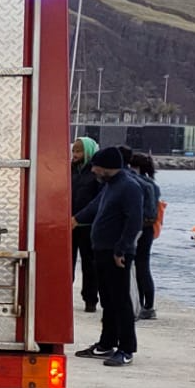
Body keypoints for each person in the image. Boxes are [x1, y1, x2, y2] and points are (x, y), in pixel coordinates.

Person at [72, 147, 146, 367]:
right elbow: (95, 206)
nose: (92, 169)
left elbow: (134, 220)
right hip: (102, 250)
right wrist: (76, 219)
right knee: (108, 300)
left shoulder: (130, 187)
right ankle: (106, 343)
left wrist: (121, 249)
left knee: (121, 301)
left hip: (117, 254)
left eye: (95, 166)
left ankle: (126, 348)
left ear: (106, 167)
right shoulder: (110, 185)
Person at [128, 152, 164, 319]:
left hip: (139, 228)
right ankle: (147, 305)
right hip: (148, 229)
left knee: (138, 267)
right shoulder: (152, 184)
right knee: (144, 266)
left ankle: (143, 304)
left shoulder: (137, 183)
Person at [69, 137, 99, 312]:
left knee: (90, 265)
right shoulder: (69, 170)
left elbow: (97, 201)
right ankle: (65, 297)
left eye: (79, 151)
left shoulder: (95, 172)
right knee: (67, 264)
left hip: (87, 225)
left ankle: (90, 299)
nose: (75, 155)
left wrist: (80, 217)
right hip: (69, 225)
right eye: (74, 151)